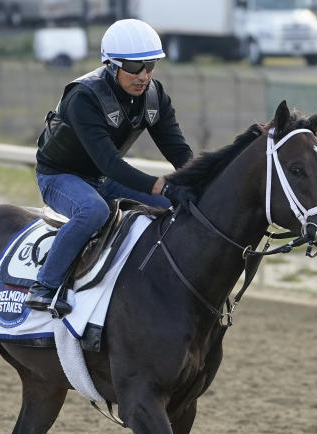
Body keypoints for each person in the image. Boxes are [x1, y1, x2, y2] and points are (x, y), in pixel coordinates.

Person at [26, 18, 197, 317]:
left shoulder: (155, 96)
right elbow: (110, 163)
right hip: (59, 176)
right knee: (94, 211)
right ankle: (44, 285)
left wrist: (199, 180)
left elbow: (178, 150)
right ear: (111, 65)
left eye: (151, 65)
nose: (144, 75)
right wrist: (163, 185)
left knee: (172, 205)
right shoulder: (83, 97)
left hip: (102, 177)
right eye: (134, 67)